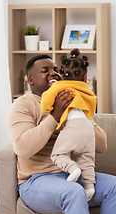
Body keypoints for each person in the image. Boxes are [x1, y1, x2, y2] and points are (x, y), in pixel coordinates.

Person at [6, 54, 116, 214]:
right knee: (74, 191)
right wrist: (55, 114)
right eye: (45, 70)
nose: (52, 73)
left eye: (55, 70)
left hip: (72, 176)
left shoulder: (73, 102)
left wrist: (80, 116)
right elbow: (22, 148)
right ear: (31, 80)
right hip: (36, 181)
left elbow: (101, 145)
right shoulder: (23, 104)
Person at [40, 49, 97, 201]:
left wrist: (51, 95)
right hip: (88, 127)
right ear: (85, 77)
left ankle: (73, 169)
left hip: (73, 126)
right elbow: (92, 106)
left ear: (62, 74)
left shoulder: (59, 86)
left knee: (58, 154)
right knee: (87, 158)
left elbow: (45, 104)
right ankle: (89, 186)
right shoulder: (87, 89)